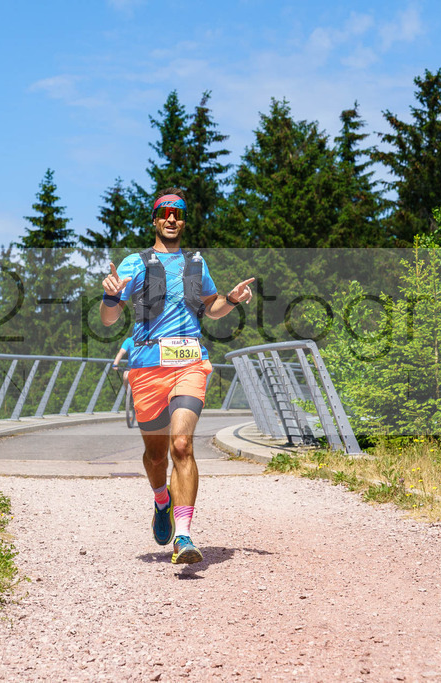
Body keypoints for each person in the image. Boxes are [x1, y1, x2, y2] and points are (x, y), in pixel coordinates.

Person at [99, 188, 254, 565]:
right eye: (164, 212)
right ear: (154, 219)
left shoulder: (196, 264)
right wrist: (109, 297)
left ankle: (183, 536)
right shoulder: (135, 264)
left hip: (189, 363)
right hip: (148, 369)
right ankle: (161, 500)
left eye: (178, 213)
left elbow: (211, 309)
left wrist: (230, 300)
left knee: (181, 445)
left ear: (184, 220)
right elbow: (108, 319)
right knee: (155, 457)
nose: (171, 218)